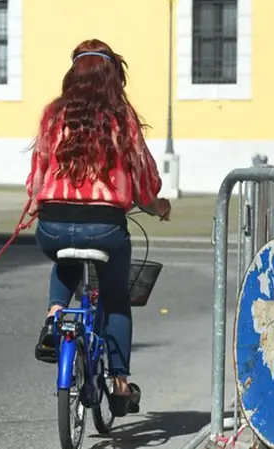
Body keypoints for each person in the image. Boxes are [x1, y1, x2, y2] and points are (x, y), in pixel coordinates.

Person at [25, 39, 171, 417]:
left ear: (73, 76)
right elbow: (144, 182)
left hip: (53, 224)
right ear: (113, 78)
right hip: (106, 228)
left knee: (64, 258)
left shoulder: (53, 116)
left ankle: (55, 316)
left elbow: (36, 179)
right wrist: (158, 207)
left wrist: (42, 201)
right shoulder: (121, 121)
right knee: (117, 299)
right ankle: (121, 384)